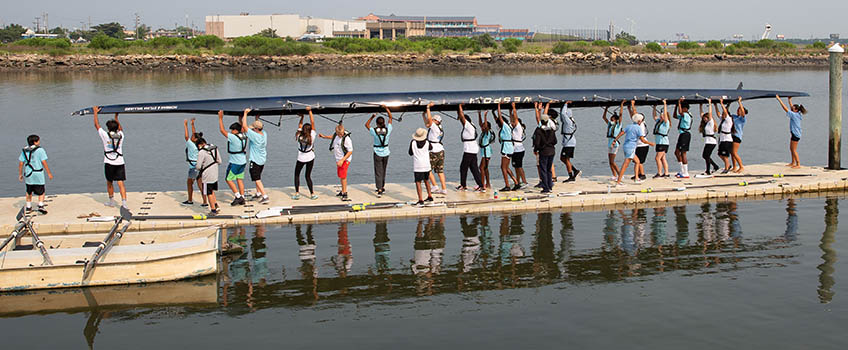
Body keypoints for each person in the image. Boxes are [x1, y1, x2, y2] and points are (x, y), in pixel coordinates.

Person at [93, 106, 128, 208]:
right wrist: (116, 117)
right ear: (117, 127)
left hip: (109, 162)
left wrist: (95, 113)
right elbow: (120, 129)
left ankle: (112, 201)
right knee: (120, 183)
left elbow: (96, 125)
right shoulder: (121, 135)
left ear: (108, 128)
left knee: (109, 182)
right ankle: (124, 203)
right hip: (120, 162)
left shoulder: (105, 135)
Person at [614, 111, 656, 186]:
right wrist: (650, 143)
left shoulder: (628, 126)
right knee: (625, 165)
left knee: (637, 161)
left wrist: (615, 140)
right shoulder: (638, 128)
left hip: (626, 146)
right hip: (631, 147)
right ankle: (618, 182)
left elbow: (621, 133)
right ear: (639, 121)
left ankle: (636, 178)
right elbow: (642, 140)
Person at [217, 110, 247, 206]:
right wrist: (240, 118)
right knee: (239, 179)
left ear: (235, 130)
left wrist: (220, 118)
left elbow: (222, 130)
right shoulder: (244, 135)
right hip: (243, 161)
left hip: (235, 162)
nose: (231, 132)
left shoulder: (233, 137)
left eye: (232, 130)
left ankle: (238, 196)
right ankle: (242, 197)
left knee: (228, 179)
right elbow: (242, 127)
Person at [18, 134, 53, 214]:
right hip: (38, 173)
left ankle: (28, 206)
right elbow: (43, 162)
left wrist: (20, 174)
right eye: (38, 141)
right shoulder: (40, 150)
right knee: (41, 190)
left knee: (29, 191)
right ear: (35, 142)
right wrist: (49, 173)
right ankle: (40, 205)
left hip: (28, 174)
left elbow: (21, 163)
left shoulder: (25, 150)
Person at [319, 123, 354, 201]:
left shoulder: (347, 139)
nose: (340, 135)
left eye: (341, 134)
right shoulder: (336, 135)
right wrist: (324, 137)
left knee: (343, 176)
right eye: (339, 134)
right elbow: (333, 137)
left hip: (344, 160)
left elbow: (350, 151)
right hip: (338, 160)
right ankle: (342, 191)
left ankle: (345, 193)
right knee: (340, 176)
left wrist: (342, 160)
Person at [242, 109, 269, 204]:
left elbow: (244, 127)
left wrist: (245, 114)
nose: (252, 129)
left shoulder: (255, 136)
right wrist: (257, 118)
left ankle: (265, 196)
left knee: (256, 179)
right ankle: (258, 193)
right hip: (262, 160)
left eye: (253, 128)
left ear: (256, 129)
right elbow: (257, 127)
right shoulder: (264, 134)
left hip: (255, 160)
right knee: (259, 177)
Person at [366, 105, 393, 197]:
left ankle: (380, 189)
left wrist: (372, 117)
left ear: (377, 124)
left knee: (378, 171)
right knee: (384, 170)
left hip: (377, 152)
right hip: (386, 152)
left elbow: (366, 125)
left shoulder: (374, 131)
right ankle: (382, 186)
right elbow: (390, 117)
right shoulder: (388, 130)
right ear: (384, 123)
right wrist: (386, 108)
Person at [457, 104, 484, 191]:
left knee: (463, 167)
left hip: (469, 150)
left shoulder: (468, 125)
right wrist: (458, 110)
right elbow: (461, 117)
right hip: (472, 149)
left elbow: (462, 117)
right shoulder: (471, 124)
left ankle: (463, 185)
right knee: (474, 168)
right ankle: (481, 185)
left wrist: (460, 107)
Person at [294, 107, 319, 200]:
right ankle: (312, 194)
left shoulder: (299, 135)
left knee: (297, 175)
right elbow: (313, 123)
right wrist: (310, 111)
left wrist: (302, 117)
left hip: (300, 158)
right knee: (308, 176)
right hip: (310, 158)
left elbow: (300, 125)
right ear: (310, 130)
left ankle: (297, 193)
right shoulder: (312, 136)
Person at [532, 103, 558, 194]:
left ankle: (545, 188)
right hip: (552, 151)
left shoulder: (539, 130)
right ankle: (550, 185)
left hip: (544, 151)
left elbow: (537, 143)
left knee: (543, 169)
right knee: (548, 169)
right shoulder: (551, 129)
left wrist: (536, 149)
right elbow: (555, 141)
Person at [776, 94, 807, 169]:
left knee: (793, 149)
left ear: (795, 110)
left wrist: (779, 99)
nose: (791, 109)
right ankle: (793, 162)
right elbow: (791, 108)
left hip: (796, 135)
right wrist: (789, 100)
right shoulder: (798, 113)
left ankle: (798, 164)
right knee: (791, 148)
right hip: (795, 134)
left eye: (793, 108)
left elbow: (785, 108)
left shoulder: (794, 115)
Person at [423, 104, 447, 195]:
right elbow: (427, 123)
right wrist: (423, 115)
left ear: (436, 121)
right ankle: (444, 189)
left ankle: (435, 186)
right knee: (440, 171)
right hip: (440, 150)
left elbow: (429, 121)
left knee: (427, 169)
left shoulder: (435, 127)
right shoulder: (439, 128)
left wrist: (428, 108)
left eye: (433, 120)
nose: (431, 120)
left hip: (433, 151)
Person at [494, 103, 518, 191]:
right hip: (508, 147)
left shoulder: (505, 126)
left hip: (507, 148)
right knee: (506, 167)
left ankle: (507, 185)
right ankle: (515, 182)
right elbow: (497, 119)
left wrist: (498, 107)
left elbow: (500, 118)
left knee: (503, 167)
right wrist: (494, 113)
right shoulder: (507, 126)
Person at [183, 118, 207, 206]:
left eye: (193, 137)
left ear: (195, 139)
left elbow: (186, 136)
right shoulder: (199, 144)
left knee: (189, 183)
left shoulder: (191, 144)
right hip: (200, 166)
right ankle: (205, 201)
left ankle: (190, 200)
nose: (191, 137)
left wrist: (185, 125)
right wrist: (192, 124)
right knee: (201, 184)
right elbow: (194, 134)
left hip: (193, 167)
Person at [194, 137, 221, 215]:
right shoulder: (214, 148)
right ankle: (216, 205)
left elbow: (198, 166)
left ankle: (213, 210)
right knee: (212, 190)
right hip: (215, 173)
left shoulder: (201, 152)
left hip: (206, 175)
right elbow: (219, 161)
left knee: (208, 192)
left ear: (199, 145)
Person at [409, 128, 434, 205]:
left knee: (418, 182)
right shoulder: (427, 142)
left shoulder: (413, 142)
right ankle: (430, 196)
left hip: (418, 165)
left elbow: (410, 153)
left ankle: (420, 199)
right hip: (426, 165)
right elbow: (431, 148)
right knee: (427, 180)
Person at [559, 100, 581, 182]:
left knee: (566, 159)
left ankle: (571, 176)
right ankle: (575, 170)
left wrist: (565, 104)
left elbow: (563, 114)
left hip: (569, 142)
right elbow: (562, 116)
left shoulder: (568, 121)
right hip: (568, 142)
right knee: (562, 158)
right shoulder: (570, 120)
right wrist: (562, 108)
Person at [697, 99, 720, 177]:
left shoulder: (711, 122)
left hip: (711, 142)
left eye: (705, 118)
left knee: (705, 156)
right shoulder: (706, 124)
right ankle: (715, 166)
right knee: (705, 156)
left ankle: (708, 171)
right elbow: (701, 114)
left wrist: (710, 103)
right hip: (708, 141)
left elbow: (710, 113)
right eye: (704, 119)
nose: (704, 119)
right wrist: (700, 106)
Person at [673, 98, 694, 179]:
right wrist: (676, 106)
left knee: (683, 153)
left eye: (682, 107)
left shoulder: (686, 115)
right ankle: (682, 170)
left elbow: (680, 112)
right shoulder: (683, 115)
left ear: (685, 108)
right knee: (677, 152)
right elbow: (675, 116)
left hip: (685, 134)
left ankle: (686, 172)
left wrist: (679, 103)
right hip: (681, 134)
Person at [602, 103, 623, 180]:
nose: (611, 119)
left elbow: (621, 115)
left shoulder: (618, 125)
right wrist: (606, 108)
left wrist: (621, 105)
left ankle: (620, 175)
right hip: (609, 143)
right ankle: (614, 175)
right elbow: (604, 117)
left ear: (615, 119)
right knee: (610, 162)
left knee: (612, 161)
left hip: (615, 143)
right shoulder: (610, 124)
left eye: (612, 118)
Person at [630, 100, 649, 181]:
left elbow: (634, 113)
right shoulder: (638, 123)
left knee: (640, 161)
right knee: (636, 161)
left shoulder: (641, 125)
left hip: (643, 145)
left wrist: (632, 105)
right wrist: (629, 108)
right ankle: (637, 174)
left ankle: (642, 174)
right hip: (638, 145)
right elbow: (633, 116)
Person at [510, 104, 528, 189]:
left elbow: (515, 118)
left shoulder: (518, 128)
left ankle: (524, 182)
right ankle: (518, 181)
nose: (512, 123)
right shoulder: (513, 128)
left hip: (519, 150)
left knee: (519, 166)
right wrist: (510, 111)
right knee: (515, 166)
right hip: (514, 150)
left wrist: (514, 108)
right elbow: (512, 119)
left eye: (514, 122)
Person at [652, 99, 671, 178]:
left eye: (662, 115)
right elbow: (654, 116)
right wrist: (654, 107)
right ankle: (666, 173)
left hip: (663, 142)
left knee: (657, 158)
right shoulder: (659, 121)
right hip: (659, 142)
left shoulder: (666, 123)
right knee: (663, 158)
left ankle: (659, 173)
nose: (661, 116)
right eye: (661, 115)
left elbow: (665, 116)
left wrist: (665, 104)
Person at [716, 98, 734, 174]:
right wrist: (715, 105)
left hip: (727, 139)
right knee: (719, 154)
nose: (722, 115)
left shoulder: (728, 119)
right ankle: (728, 164)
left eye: (723, 114)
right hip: (722, 139)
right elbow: (718, 114)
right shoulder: (723, 120)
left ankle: (727, 168)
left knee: (725, 155)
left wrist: (722, 104)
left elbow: (725, 113)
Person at [478, 110, 495, 190]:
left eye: (484, 126)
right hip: (484, 151)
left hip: (486, 151)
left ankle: (482, 185)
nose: (482, 127)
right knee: (485, 168)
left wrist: (485, 116)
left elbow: (485, 126)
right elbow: (480, 124)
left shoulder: (487, 132)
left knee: (481, 167)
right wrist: (479, 114)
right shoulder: (483, 132)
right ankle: (487, 183)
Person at [730, 96, 748, 173]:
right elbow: (727, 114)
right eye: (738, 109)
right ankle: (734, 166)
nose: (738, 111)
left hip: (737, 136)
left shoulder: (742, 119)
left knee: (734, 152)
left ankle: (741, 166)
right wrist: (728, 104)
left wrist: (739, 102)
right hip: (731, 135)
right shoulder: (734, 116)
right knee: (731, 152)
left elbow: (743, 113)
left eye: (739, 110)